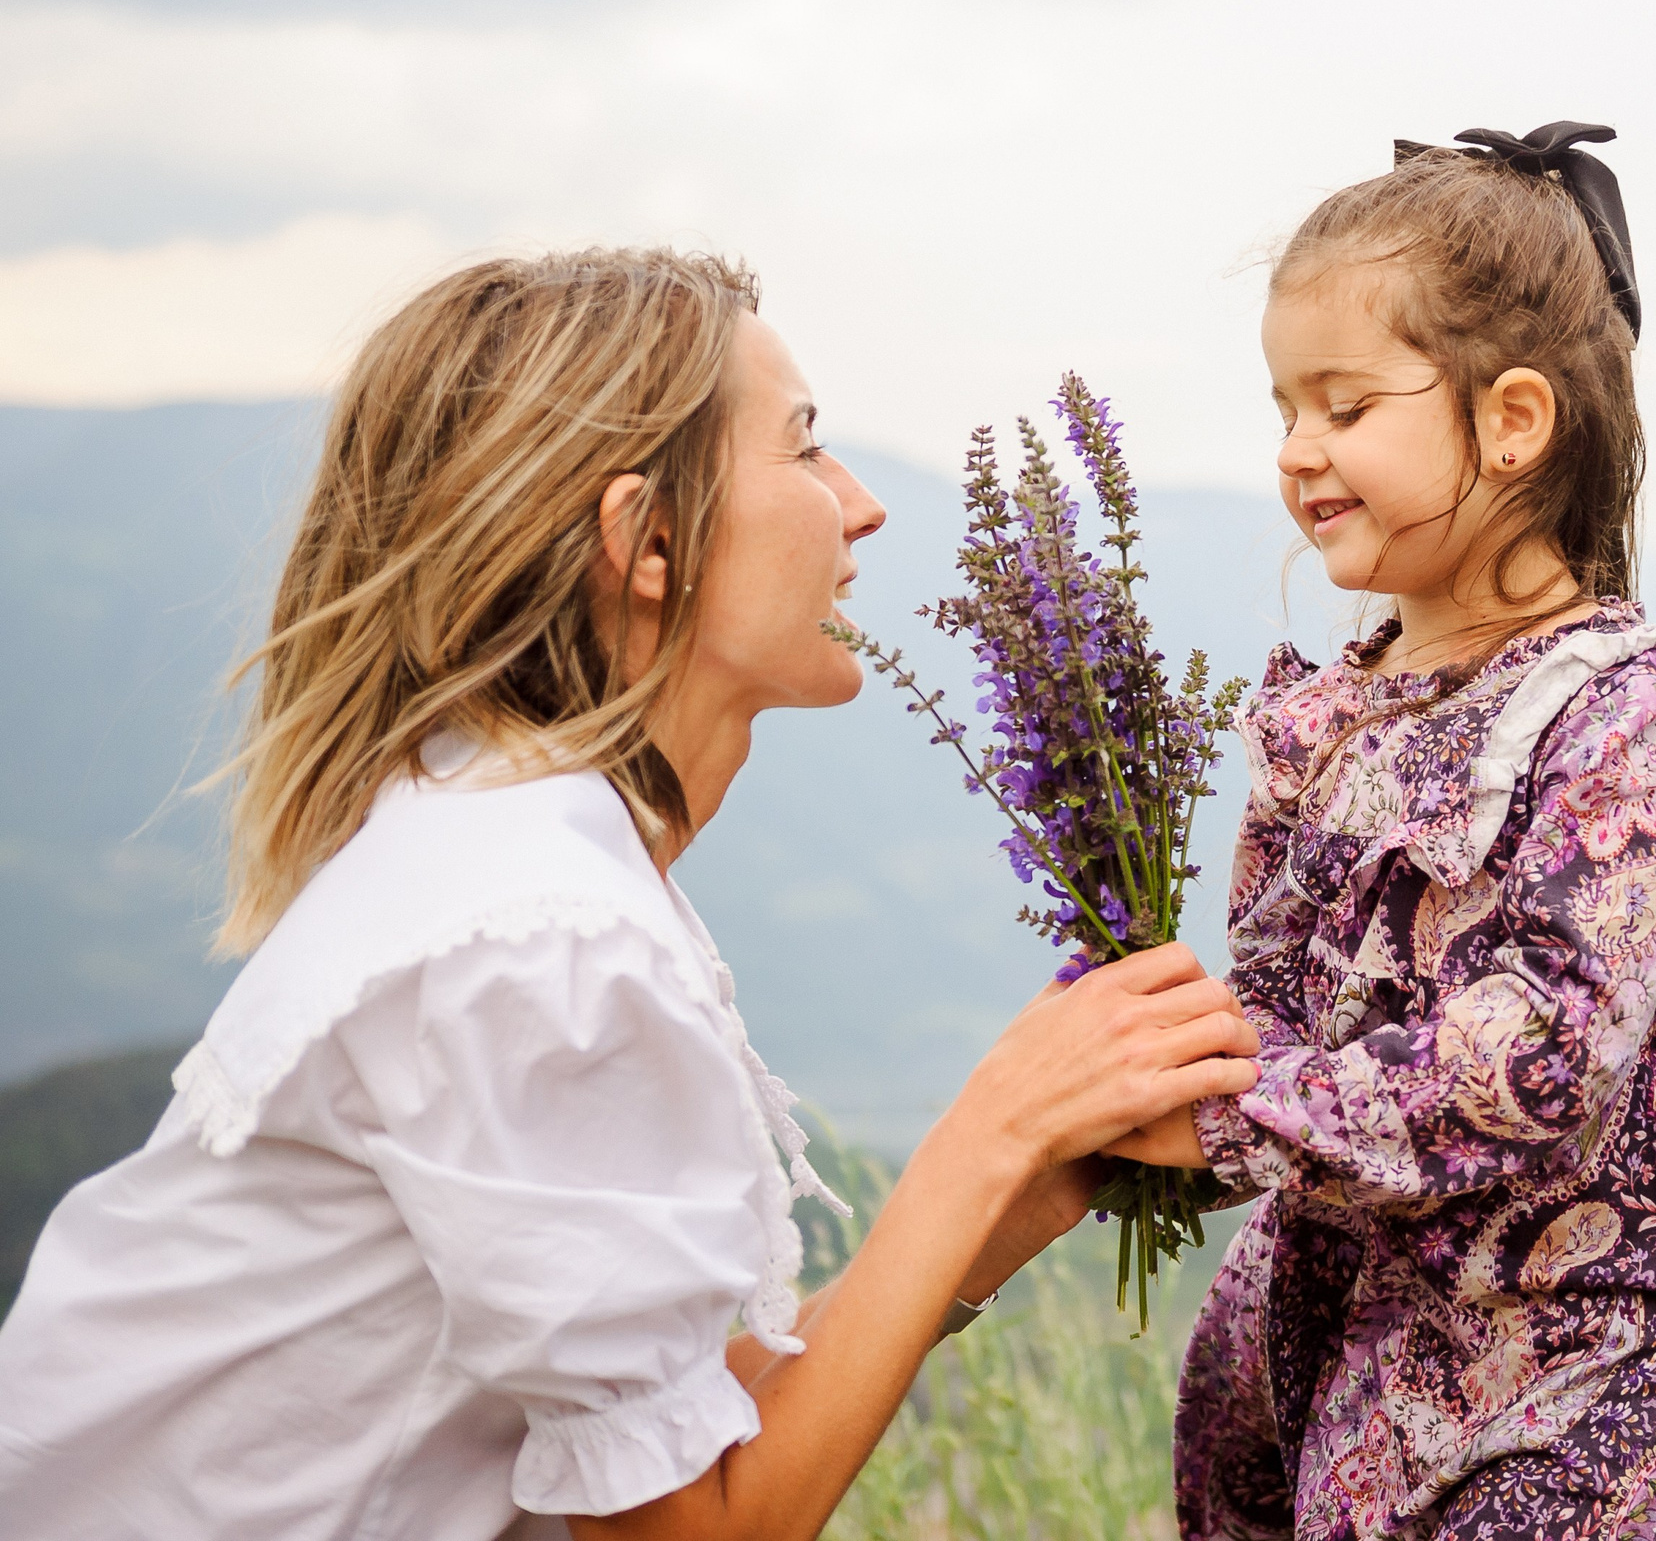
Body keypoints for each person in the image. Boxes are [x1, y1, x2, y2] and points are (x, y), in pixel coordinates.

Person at [0, 249, 1260, 1540]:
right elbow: (689, 1531)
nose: (865, 505)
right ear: (648, 541)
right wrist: (987, 1131)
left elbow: (660, 1444)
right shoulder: (537, 933)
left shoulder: (512, 848)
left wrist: (1025, 1184)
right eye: (805, 446)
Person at [1102, 125, 1656, 1538]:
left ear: (1513, 420)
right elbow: (1279, 1006)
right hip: (1341, 1353)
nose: (1298, 452)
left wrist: (1223, 1115)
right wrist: (1144, 1068)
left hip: (1569, 1372)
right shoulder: (1326, 718)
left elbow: (1549, 1049)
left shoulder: (1622, 713)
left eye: (1344, 406)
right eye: (1284, 409)